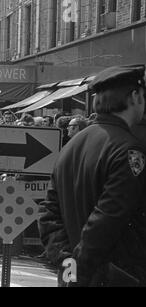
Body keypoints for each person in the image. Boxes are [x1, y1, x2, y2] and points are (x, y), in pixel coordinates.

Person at [39, 64, 146, 287]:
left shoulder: (72, 144)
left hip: (75, 274)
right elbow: (108, 217)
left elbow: (49, 213)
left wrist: (68, 264)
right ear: (135, 96)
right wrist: (81, 267)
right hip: (113, 275)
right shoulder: (128, 149)